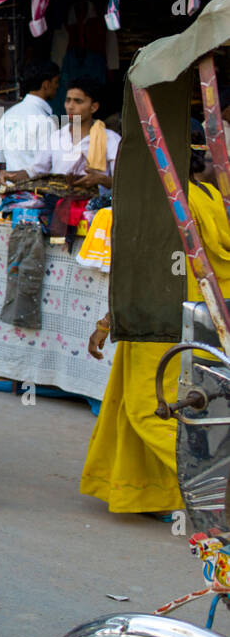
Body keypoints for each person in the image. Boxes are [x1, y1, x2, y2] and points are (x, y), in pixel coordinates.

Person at [81, 143, 230, 519]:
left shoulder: (170, 202)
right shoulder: (207, 193)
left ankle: (218, 491)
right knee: (150, 404)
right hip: (197, 316)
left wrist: (106, 322)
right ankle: (150, 494)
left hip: (162, 317)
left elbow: (144, 267)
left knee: (150, 410)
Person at [31, 77, 120, 190]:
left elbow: (125, 183)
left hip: (97, 206)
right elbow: (35, 171)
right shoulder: (56, 137)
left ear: (94, 107)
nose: (70, 106)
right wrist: (10, 175)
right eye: (68, 100)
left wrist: (100, 179)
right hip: (59, 204)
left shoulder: (111, 140)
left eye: (78, 101)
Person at [0, 59, 60, 182]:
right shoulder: (45, 121)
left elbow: (1, 160)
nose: (57, 87)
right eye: (56, 82)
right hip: (35, 192)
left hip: (10, 189)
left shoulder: (8, 115)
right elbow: (47, 166)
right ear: (46, 85)